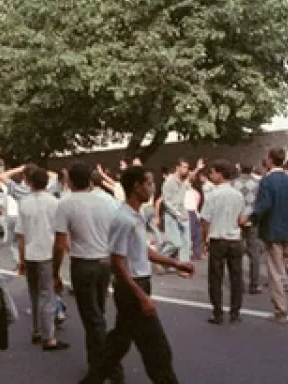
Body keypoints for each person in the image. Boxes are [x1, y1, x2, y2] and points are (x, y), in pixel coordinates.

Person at [81, 166, 194, 384]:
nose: (152, 188)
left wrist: (175, 262)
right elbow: (117, 262)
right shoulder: (123, 219)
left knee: (118, 344)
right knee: (158, 350)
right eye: (149, 183)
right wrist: (141, 296)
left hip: (138, 284)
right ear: (136, 186)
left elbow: (142, 250)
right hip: (131, 287)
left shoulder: (137, 215)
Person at [53, 162, 121, 382]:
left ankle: (110, 366)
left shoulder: (66, 204)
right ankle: (96, 363)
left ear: (69, 181)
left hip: (83, 264)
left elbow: (60, 243)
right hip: (104, 263)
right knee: (97, 314)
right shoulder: (106, 202)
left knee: (92, 319)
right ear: (91, 181)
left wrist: (55, 272)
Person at [247, 148, 288, 323]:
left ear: (270, 160)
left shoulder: (267, 181)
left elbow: (263, 205)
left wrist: (252, 219)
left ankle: (280, 310)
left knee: (275, 272)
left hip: (272, 230)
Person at [16, 168, 69, 351]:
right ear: (47, 183)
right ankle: (49, 337)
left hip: (30, 254)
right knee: (48, 295)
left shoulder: (24, 203)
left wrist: (21, 259)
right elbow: (60, 235)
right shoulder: (55, 203)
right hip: (47, 253)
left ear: (30, 182)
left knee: (34, 294)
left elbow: (21, 235)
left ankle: (36, 330)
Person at [201, 160, 246, 325]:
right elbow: (241, 218)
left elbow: (205, 219)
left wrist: (205, 238)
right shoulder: (238, 195)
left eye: (213, 172)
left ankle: (218, 313)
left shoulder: (213, 195)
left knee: (215, 278)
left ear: (220, 174)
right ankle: (235, 312)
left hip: (217, 238)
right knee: (236, 277)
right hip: (234, 238)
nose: (211, 175)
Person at [232, 164, 264, 293]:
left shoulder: (233, 184)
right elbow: (260, 203)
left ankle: (238, 284)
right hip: (252, 220)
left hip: (237, 219)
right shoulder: (258, 184)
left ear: (240, 169)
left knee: (237, 253)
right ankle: (254, 284)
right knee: (254, 253)